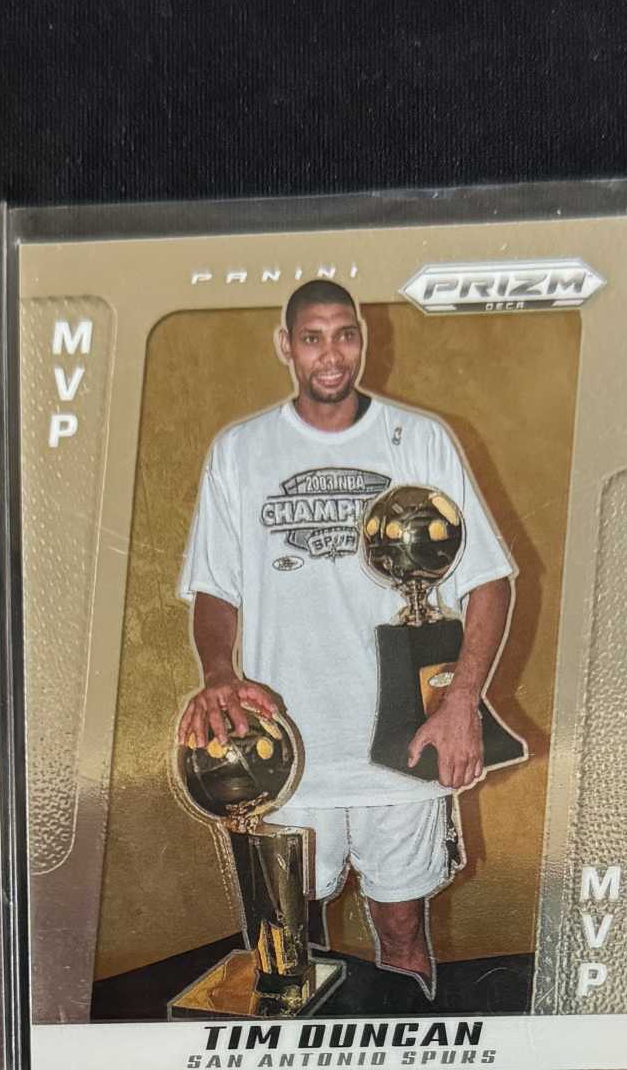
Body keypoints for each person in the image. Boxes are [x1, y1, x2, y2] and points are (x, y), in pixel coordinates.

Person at [176, 279, 515, 992]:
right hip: (286, 750)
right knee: (287, 950)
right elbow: (214, 588)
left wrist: (461, 704)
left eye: (344, 335)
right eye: (312, 338)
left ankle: (411, 1057)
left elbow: (488, 581)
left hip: (403, 739)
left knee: (403, 931)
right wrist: (217, 673)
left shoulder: (420, 439)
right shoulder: (241, 451)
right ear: (285, 346)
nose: (330, 355)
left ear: (364, 340)